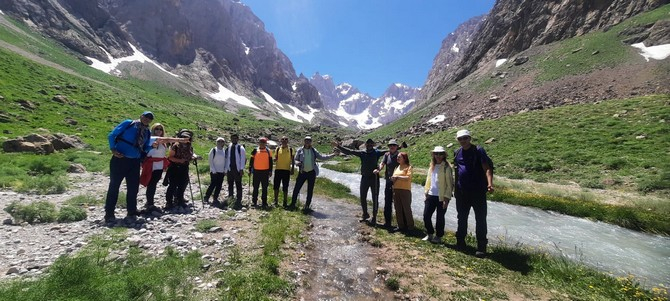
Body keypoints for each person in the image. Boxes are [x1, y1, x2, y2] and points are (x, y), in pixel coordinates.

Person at [104, 111, 154, 223]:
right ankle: (109, 213)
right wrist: (113, 149)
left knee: (133, 188)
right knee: (114, 186)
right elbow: (112, 135)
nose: (147, 119)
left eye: (150, 118)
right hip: (120, 160)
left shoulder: (147, 132)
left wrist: (151, 147)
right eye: (146, 116)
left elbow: (145, 147)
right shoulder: (129, 123)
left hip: (134, 162)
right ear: (141, 116)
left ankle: (131, 210)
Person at [453, 129, 494, 258]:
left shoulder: (478, 150)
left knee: (480, 219)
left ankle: (481, 247)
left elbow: (487, 168)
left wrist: (490, 184)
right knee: (462, 217)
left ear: (470, 138)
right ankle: (460, 242)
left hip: (478, 191)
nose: (463, 141)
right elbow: (457, 171)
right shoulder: (457, 152)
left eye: (465, 138)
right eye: (460, 139)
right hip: (462, 192)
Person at [334, 138, 387, 226]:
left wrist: (399, 147)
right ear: (365, 145)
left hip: (374, 178)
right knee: (362, 197)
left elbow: (388, 150)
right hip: (365, 177)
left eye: (371, 144)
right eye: (368, 144)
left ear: (373, 145)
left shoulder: (377, 152)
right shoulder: (362, 153)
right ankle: (365, 214)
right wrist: (338, 146)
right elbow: (350, 151)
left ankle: (374, 217)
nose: (369, 145)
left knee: (375, 198)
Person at [139, 123, 188, 212]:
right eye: (156, 129)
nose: (158, 131)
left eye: (160, 129)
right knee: (151, 184)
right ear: (153, 130)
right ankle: (150, 203)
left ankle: (150, 202)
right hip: (152, 164)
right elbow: (167, 139)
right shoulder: (152, 139)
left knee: (154, 183)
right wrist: (180, 139)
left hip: (159, 164)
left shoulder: (162, 142)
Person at [291, 136, 337, 213]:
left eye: (309, 140)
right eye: (306, 140)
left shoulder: (313, 150)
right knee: (296, 188)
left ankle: (307, 206)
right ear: (304, 141)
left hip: (311, 172)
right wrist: (296, 163)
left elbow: (322, 157)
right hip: (302, 172)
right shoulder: (300, 150)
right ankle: (293, 204)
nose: (307, 142)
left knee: (310, 190)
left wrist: (333, 155)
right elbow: (295, 159)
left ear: (311, 142)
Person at [422, 146, 454, 244]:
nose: (438, 156)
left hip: (442, 196)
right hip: (431, 195)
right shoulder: (432, 165)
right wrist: (426, 192)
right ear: (433, 155)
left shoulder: (447, 167)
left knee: (440, 217)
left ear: (444, 155)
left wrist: (447, 198)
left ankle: (438, 236)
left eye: (440, 154)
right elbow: (428, 180)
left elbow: (450, 184)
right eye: (436, 154)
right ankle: (430, 233)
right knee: (426, 215)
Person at [165, 129, 196, 210]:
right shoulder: (175, 146)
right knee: (173, 185)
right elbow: (170, 157)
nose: (185, 139)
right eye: (183, 137)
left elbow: (189, 156)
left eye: (187, 137)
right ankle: (169, 202)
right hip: (175, 167)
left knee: (183, 184)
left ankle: (179, 200)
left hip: (184, 167)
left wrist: (193, 158)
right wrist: (180, 160)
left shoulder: (190, 146)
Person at [378, 139, 401, 228]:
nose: (392, 147)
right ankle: (387, 222)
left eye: (394, 145)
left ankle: (401, 224)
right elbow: (382, 163)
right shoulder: (386, 155)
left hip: (398, 183)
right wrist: (379, 169)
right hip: (388, 182)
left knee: (398, 203)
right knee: (387, 202)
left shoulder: (400, 155)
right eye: (390, 145)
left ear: (396, 146)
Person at [390, 152, 414, 233]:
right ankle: (400, 225)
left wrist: (397, 177)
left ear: (404, 158)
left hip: (405, 190)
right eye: (397, 157)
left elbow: (408, 177)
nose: (397, 158)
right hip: (396, 190)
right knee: (398, 208)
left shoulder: (408, 167)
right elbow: (394, 178)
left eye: (399, 157)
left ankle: (410, 226)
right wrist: (393, 179)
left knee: (406, 208)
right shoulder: (397, 167)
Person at [249, 137, 273, 209]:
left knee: (264, 187)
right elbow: (251, 161)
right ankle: (254, 201)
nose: (262, 143)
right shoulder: (255, 150)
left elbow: (270, 162)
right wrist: (250, 170)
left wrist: (270, 171)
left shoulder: (269, 151)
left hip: (265, 172)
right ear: (259, 143)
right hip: (256, 171)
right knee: (255, 187)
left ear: (265, 143)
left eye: (263, 142)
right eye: (261, 142)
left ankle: (264, 202)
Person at [204, 137, 228, 208]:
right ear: (216, 142)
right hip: (214, 171)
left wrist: (225, 170)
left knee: (219, 185)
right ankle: (206, 197)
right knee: (213, 184)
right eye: (219, 141)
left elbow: (226, 161)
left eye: (222, 141)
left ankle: (215, 198)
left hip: (221, 171)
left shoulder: (224, 151)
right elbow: (210, 160)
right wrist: (213, 169)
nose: (220, 143)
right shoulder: (214, 150)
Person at [225, 133, 246, 209]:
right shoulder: (229, 147)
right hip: (230, 169)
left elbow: (243, 159)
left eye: (235, 138)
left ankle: (239, 199)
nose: (234, 139)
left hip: (237, 169)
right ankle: (230, 197)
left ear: (238, 139)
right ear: (231, 139)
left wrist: (241, 169)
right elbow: (227, 158)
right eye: (233, 138)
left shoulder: (241, 148)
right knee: (230, 183)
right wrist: (226, 169)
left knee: (238, 184)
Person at [273, 136, 295, 207]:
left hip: (286, 170)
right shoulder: (277, 149)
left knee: (285, 186)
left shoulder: (291, 149)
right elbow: (275, 158)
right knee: (276, 186)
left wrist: (292, 169)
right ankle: (275, 201)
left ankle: (285, 202)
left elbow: (293, 160)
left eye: (286, 139)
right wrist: (274, 159)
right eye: (283, 139)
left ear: (287, 141)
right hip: (278, 169)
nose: (284, 140)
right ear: (280, 141)